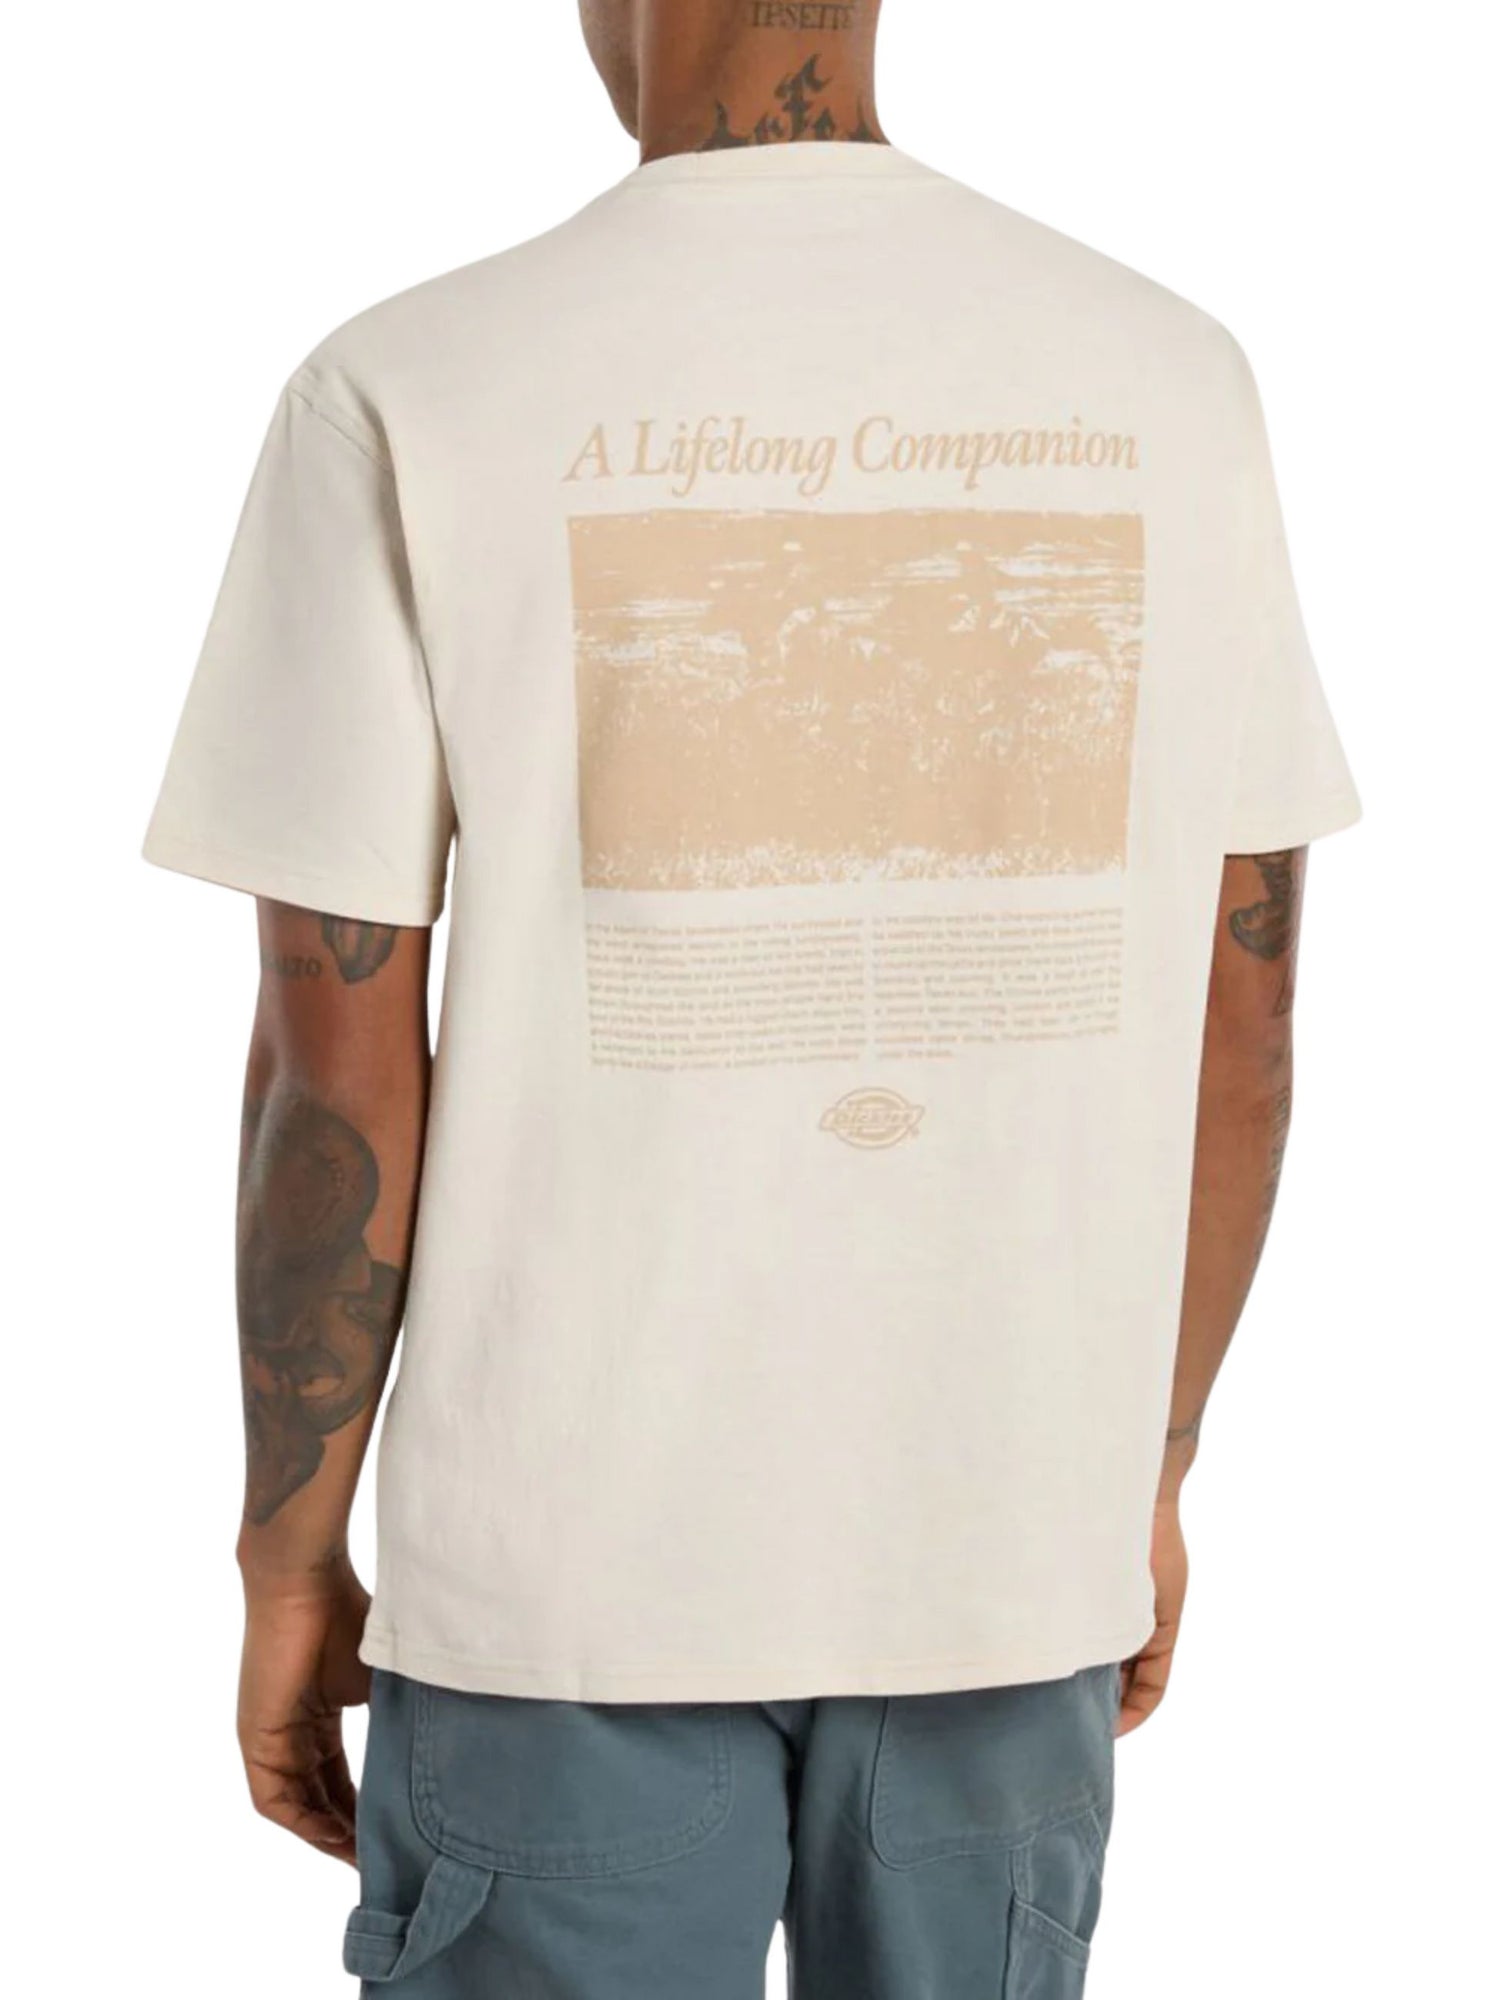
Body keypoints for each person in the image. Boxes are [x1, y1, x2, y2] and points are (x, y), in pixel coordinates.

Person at [142, 2, 1360, 1992]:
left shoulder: (411, 380)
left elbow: (331, 1071)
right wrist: (1140, 1471)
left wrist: (288, 1556)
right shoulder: (1171, 373)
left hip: (563, 1591)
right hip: (999, 1561)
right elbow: (1247, 1024)